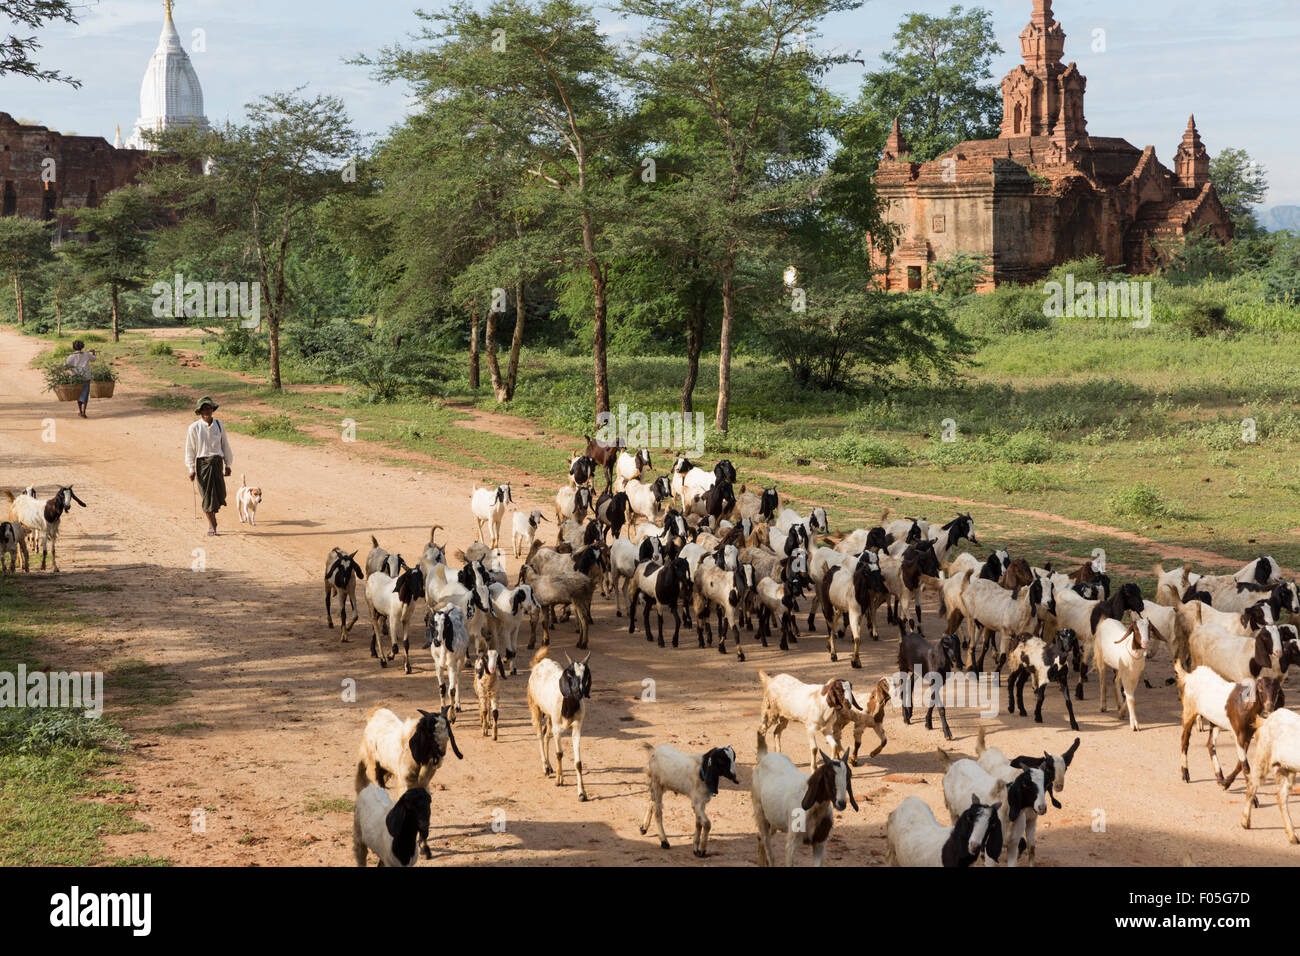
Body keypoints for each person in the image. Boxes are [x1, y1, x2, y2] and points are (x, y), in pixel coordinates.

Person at [185, 396, 233, 536]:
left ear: (212, 410)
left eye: (209, 408)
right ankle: (211, 524)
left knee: (220, 494)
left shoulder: (219, 425)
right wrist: (191, 468)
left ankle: (213, 517)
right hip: (202, 465)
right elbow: (190, 449)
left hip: (217, 463)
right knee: (206, 496)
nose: (207, 411)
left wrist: (227, 464)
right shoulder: (194, 428)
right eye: (204, 409)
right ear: (200, 412)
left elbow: (225, 445)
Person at [64, 340, 97, 419]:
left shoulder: (71, 356)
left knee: (78, 394)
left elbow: (65, 366)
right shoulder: (86, 354)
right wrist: (93, 352)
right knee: (85, 394)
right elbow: (94, 359)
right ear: (82, 346)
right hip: (86, 377)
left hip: (76, 378)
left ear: (74, 347)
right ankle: (84, 412)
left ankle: (80, 411)